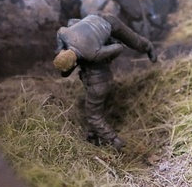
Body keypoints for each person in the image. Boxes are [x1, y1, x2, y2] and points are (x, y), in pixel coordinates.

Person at [53, 13, 157, 151]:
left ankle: (148, 46)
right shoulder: (63, 33)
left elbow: (119, 48)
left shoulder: (92, 54)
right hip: (95, 17)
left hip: (110, 24)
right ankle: (93, 135)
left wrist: (108, 49)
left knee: (133, 40)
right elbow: (71, 22)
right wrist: (63, 47)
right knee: (95, 108)